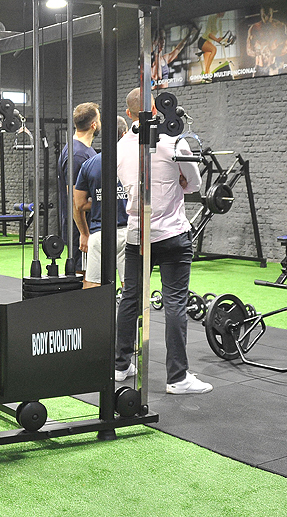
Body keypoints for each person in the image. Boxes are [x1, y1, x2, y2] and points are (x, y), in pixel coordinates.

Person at [115, 87, 212, 395]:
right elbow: (194, 184)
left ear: (129, 114)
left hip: (137, 236)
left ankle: (120, 365)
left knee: (131, 299)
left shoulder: (119, 148)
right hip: (171, 234)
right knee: (174, 304)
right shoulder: (174, 142)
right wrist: (178, 183)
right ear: (159, 110)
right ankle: (178, 378)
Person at [73, 115, 129, 289]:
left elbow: (79, 204)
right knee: (131, 287)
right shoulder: (136, 161)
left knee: (92, 286)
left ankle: (90, 317)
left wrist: (101, 200)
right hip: (128, 232)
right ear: (125, 133)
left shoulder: (90, 164)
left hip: (99, 234)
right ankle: (133, 317)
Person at [57, 102, 100, 272]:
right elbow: (75, 200)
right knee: (83, 275)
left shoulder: (86, 151)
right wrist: (84, 232)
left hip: (91, 226)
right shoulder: (77, 154)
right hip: (81, 229)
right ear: (93, 125)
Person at [247, 7, 287, 75]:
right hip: (260, 64)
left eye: (268, 15)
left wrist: (272, 53)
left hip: (275, 64)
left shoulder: (280, 26)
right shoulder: (254, 28)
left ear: (272, 13)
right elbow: (249, 51)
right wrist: (260, 53)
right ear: (261, 15)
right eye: (264, 15)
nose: (266, 17)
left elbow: (286, 49)